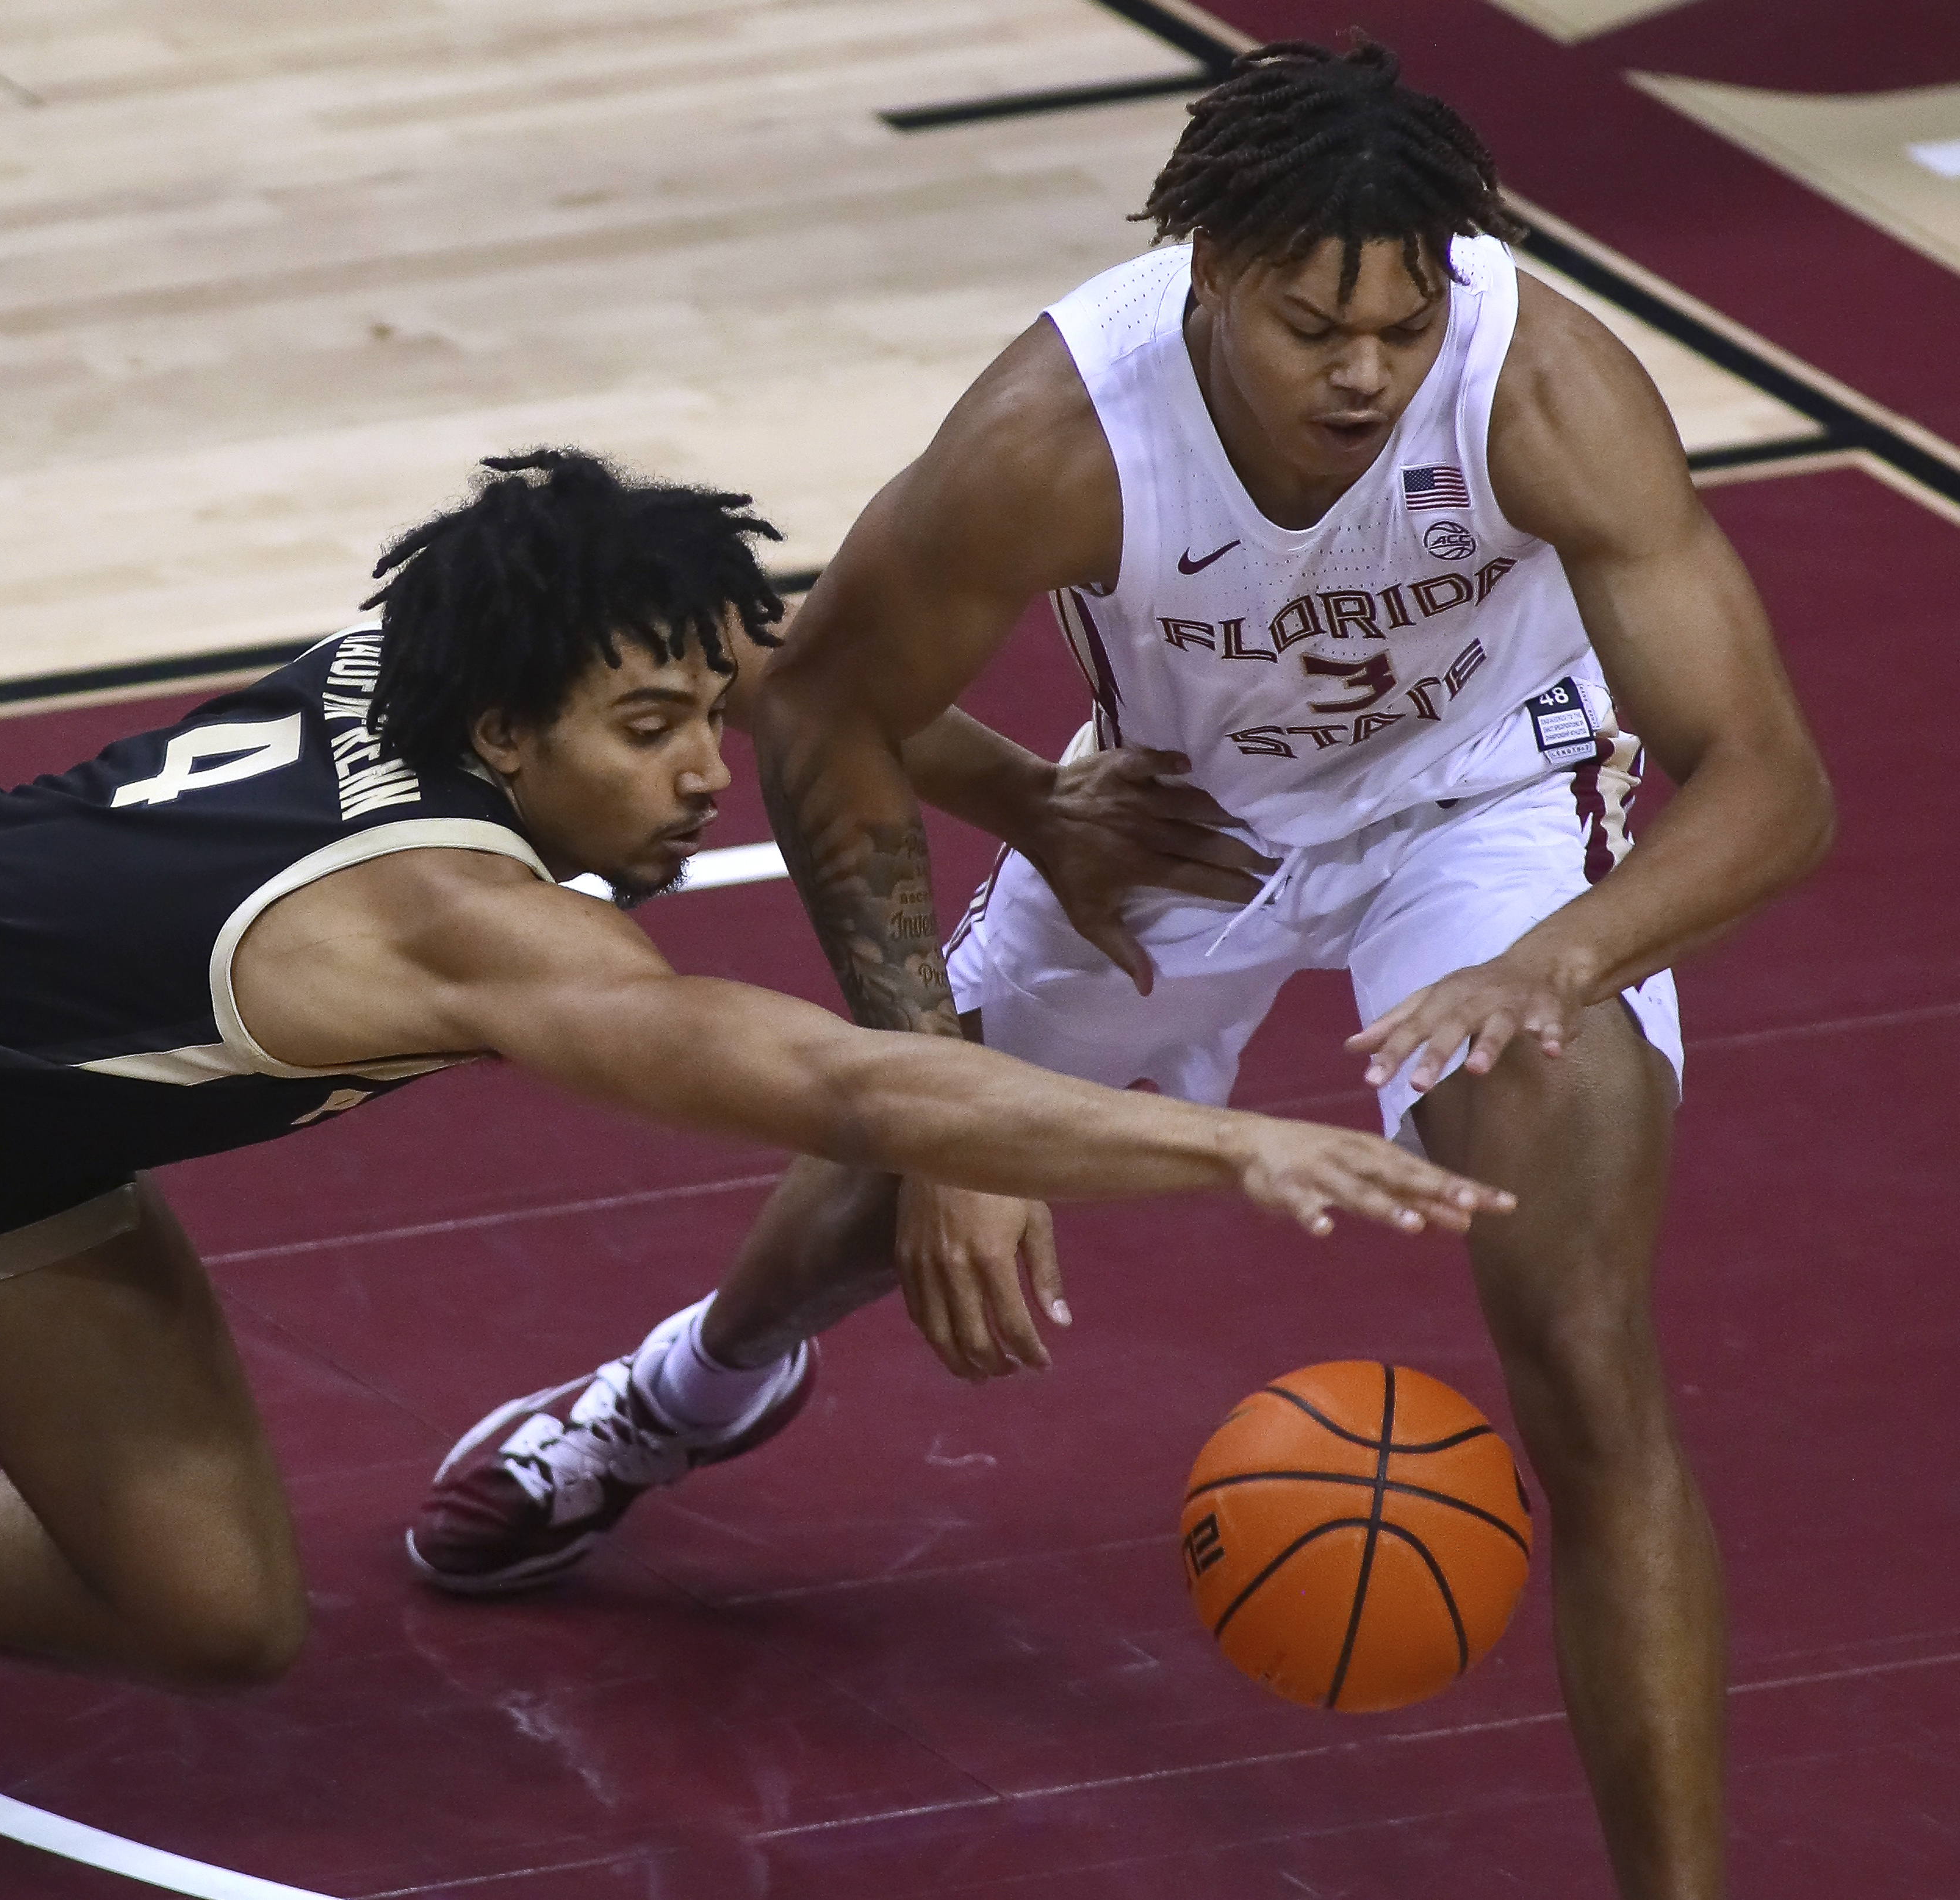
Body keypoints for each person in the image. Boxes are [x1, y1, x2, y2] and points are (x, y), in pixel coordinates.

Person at [0, 450, 1505, 1839]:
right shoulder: (461, 937)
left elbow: (788, 658)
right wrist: (1218, 1151)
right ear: (512, 731)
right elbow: (846, 1086)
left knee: (210, 1612)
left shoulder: (476, 626)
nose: (705, 769)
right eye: (649, 731)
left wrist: (1030, 792)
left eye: (697, 710)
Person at [411, 47, 1829, 1900]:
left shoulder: (1539, 385)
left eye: (1402, 326)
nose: (1365, 373)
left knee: (1582, 1348)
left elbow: (1772, 784)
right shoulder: (1059, 436)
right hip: (1180, 813)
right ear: (1209, 271)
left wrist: (1560, 948)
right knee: (867, 1210)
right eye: (1317, 323)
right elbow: (828, 698)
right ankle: (686, 1390)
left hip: (1490, 814)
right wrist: (950, 1127)